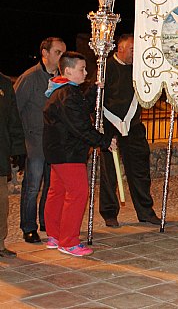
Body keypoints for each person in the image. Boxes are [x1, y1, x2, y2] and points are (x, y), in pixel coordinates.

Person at [43, 52, 114, 257]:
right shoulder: (67, 94)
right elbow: (81, 127)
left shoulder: (63, 91)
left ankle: (55, 235)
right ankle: (69, 241)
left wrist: (92, 91)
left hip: (58, 152)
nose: (85, 72)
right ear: (68, 71)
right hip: (68, 153)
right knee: (77, 194)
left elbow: (80, 108)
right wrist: (104, 141)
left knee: (57, 193)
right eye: (82, 69)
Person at [99, 34, 161, 228]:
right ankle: (109, 213)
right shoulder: (106, 67)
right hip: (110, 126)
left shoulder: (140, 69)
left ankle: (145, 211)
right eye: (134, 49)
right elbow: (97, 97)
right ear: (121, 48)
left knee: (140, 171)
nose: (137, 53)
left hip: (133, 126)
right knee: (109, 173)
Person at [14, 36, 66, 243]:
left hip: (53, 141)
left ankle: (47, 221)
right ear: (44, 54)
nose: (61, 57)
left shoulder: (62, 78)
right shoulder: (29, 77)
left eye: (63, 53)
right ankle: (28, 227)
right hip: (34, 141)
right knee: (32, 186)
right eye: (57, 53)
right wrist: (19, 141)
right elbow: (14, 108)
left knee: (52, 185)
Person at [1, 71, 26, 257]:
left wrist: (18, 149)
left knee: (2, 203)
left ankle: (0, 244)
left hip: (0, 153)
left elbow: (13, 118)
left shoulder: (4, 83)